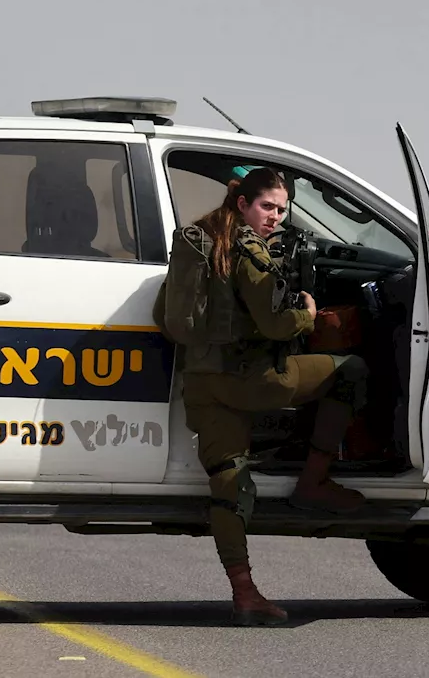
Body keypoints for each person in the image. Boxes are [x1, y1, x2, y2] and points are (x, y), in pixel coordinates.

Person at [153, 167, 370, 626]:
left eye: (280, 210)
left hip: (203, 383)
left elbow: (165, 311)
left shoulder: (199, 241)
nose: (274, 217)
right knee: (353, 371)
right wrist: (307, 316)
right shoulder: (248, 249)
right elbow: (275, 323)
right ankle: (313, 481)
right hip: (254, 382)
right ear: (243, 205)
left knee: (229, 484)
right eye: (267, 207)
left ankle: (245, 593)